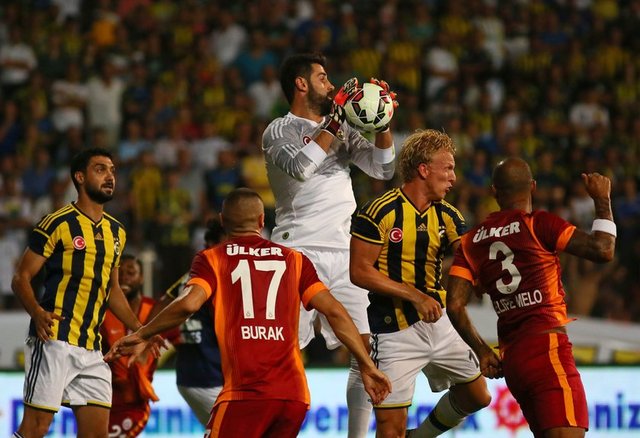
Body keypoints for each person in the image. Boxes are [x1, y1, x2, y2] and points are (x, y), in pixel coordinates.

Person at [105, 188, 392, 438]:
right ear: (262, 221)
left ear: (222, 221)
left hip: (245, 396)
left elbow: (189, 304)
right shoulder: (294, 260)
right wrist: (366, 365)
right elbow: (336, 312)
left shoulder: (212, 259)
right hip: (293, 398)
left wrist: (142, 333)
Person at [261, 52, 397, 437]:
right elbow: (300, 168)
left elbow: (384, 169)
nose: (331, 84)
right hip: (298, 251)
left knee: (366, 350)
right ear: (301, 84)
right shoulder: (279, 130)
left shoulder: (343, 129)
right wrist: (335, 122)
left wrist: (383, 124)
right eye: (322, 77)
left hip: (345, 253)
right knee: (283, 351)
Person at [446, 157, 616, 437]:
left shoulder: (471, 241)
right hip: (547, 348)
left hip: (513, 359)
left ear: (494, 192)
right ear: (533, 187)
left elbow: (454, 305)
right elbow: (603, 249)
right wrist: (602, 200)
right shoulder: (539, 224)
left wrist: (482, 351)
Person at [350, 129, 491, 437]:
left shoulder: (449, 216)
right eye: (448, 168)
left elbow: (470, 259)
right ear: (424, 170)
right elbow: (359, 271)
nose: (453, 177)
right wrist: (414, 296)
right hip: (394, 330)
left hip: (440, 322)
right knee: (391, 430)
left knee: (478, 396)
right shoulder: (379, 211)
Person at [11, 148, 142, 438]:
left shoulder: (117, 232)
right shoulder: (57, 222)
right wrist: (37, 312)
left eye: (112, 170)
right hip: (54, 340)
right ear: (80, 177)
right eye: (100, 169)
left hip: (93, 348)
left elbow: (112, 289)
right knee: (35, 428)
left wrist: (140, 329)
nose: (110, 176)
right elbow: (21, 278)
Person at [148, 219, 226, 426]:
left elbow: (164, 301)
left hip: (199, 374)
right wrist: (146, 334)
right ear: (211, 245)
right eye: (226, 244)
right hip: (208, 376)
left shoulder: (194, 275)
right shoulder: (215, 275)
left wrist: (148, 332)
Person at [101, 254, 177, 437]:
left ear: (141, 278)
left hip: (135, 404)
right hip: (102, 398)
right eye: (120, 273)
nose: (124, 277)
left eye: (131, 272)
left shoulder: (156, 310)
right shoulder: (101, 312)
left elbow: (179, 340)